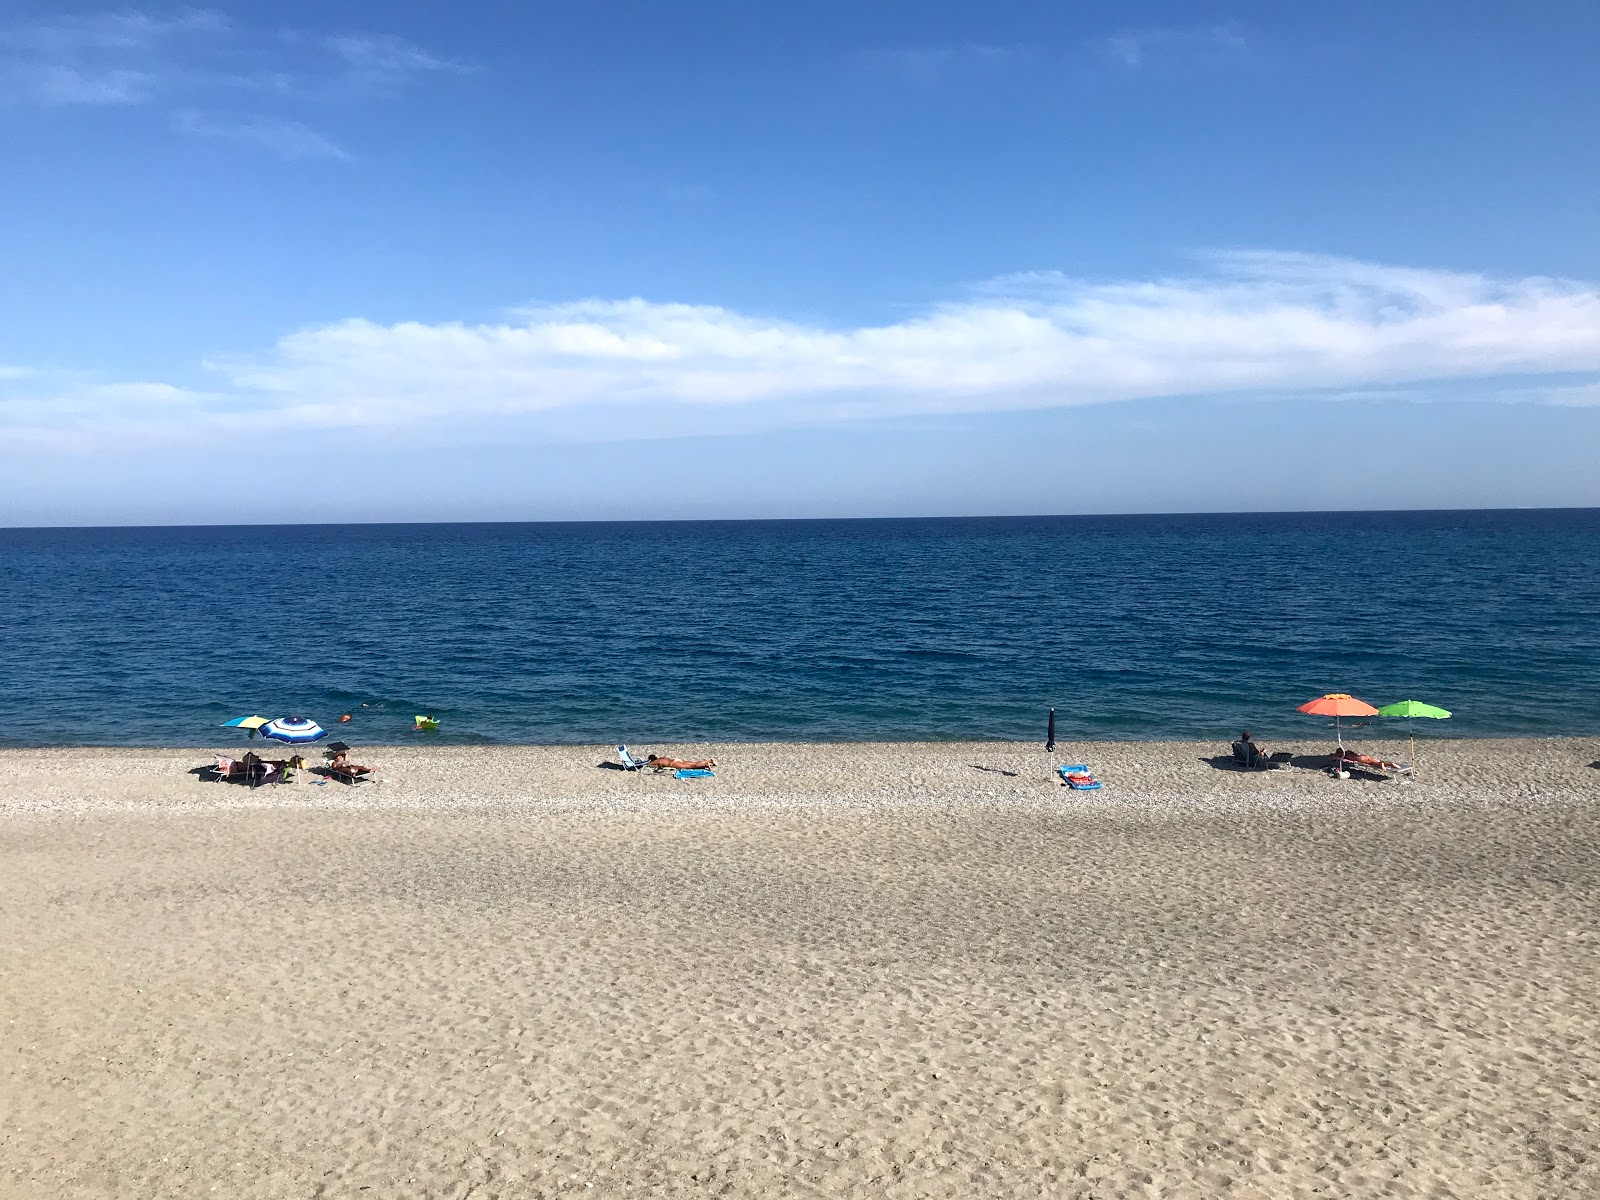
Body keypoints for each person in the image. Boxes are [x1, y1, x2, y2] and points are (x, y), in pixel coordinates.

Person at [647, 754, 716, 770]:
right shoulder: (661, 758)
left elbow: (648, 764)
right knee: (693, 763)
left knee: (691, 766)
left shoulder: (656, 761)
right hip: (676, 760)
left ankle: (706, 765)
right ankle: (709, 761)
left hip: (673, 763)